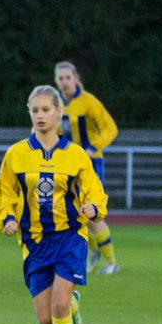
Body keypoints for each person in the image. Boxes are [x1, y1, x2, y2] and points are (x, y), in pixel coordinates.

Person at [0, 85, 108, 324]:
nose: (41, 115)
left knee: (58, 305)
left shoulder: (75, 155)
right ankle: (74, 306)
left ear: (59, 112)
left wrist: (94, 206)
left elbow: (94, 189)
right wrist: (5, 218)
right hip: (35, 243)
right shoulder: (16, 155)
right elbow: (5, 192)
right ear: (29, 113)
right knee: (46, 319)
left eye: (46, 109)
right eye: (35, 110)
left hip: (70, 236)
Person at [55, 61, 120, 273]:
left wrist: (93, 147)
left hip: (91, 163)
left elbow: (110, 128)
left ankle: (111, 262)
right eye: (60, 78)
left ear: (76, 78)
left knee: (92, 211)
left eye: (67, 77)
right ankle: (95, 251)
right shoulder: (55, 103)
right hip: (66, 165)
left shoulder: (88, 102)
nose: (64, 82)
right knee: (70, 213)